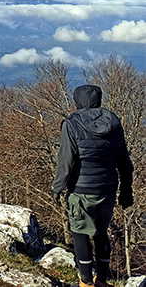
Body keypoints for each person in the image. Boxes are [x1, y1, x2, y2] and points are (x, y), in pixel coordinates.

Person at [52, 85, 134, 287]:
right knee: (101, 232)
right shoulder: (113, 123)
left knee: (80, 233)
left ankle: (86, 282)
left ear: (77, 101)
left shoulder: (72, 123)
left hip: (81, 189)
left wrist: (57, 187)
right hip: (107, 188)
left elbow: (66, 161)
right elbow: (124, 161)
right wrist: (126, 190)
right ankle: (102, 281)